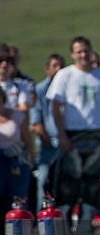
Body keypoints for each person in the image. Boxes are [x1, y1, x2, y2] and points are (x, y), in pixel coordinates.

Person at [47, 36, 100, 235]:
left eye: (86, 51)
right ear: (72, 54)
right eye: (78, 52)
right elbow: (55, 107)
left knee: (92, 183)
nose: (83, 55)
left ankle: (83, 233)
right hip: (72, 135)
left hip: (97, 135)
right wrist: (61, 135)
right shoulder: (65, 75)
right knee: (67, 184)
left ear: (91, 52)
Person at [29, 53, 65, 211]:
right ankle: (41, 218)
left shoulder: (68, 87)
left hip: (67, 143)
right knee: (43, 182)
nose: (59, 70)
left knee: (66, 184)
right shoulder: (40, 90)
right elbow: (36, 122)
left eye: (61, 66)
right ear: (47, 69)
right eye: (55, 66)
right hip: (47, 145)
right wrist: (48, 141)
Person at [0, 88, 35, 231]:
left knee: (18, 201)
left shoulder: (16, 116)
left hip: (17, 164)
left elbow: (28, 140)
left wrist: (30, 158)